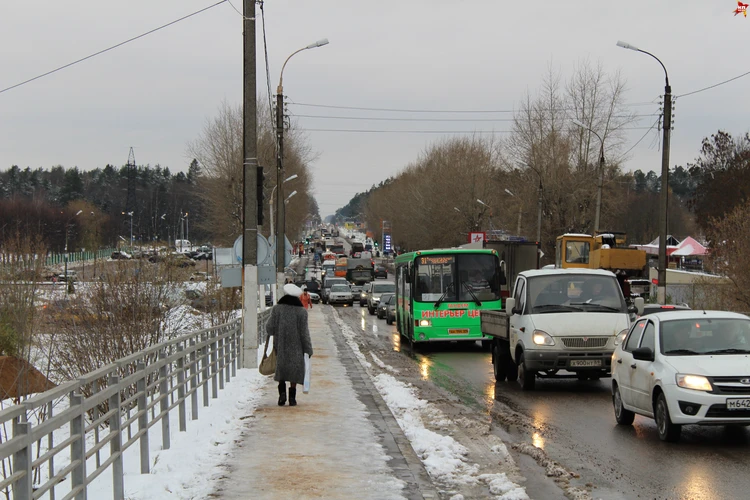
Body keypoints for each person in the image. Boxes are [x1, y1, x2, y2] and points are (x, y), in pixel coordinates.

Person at [265, 284, 313, 406]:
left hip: (280, 346)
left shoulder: (277, 309)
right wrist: (308, 349)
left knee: (281, 370)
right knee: (294, 371)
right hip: (297, 347)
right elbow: (304, 333)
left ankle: (282, 395)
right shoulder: (301, 312)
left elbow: (269, 328)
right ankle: (292, 397)